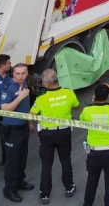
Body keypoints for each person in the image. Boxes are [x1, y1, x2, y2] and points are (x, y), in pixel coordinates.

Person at [31, 68, 79, 204]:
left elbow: (31, 114)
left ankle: (45, 194)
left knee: (46, 164)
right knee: (65, 160)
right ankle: (69, 188)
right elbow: (76, 106)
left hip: (46, 134)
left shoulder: (41, 99)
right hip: (64, 132)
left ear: (46, 83)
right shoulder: (69, 93)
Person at [0, 63, 34, 203]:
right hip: (11, 129)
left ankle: (20, 181)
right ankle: (9, 189)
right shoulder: (7, 88)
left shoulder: (25, 83)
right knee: (12, 162)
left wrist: (29, 123)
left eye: (23, 73)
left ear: (27, 73)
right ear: (13, 74)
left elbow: (26, 107)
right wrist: (20, 97)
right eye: (17, 74)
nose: (20, 76)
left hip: (23, 127)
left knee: (22, 157)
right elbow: (4, 109)